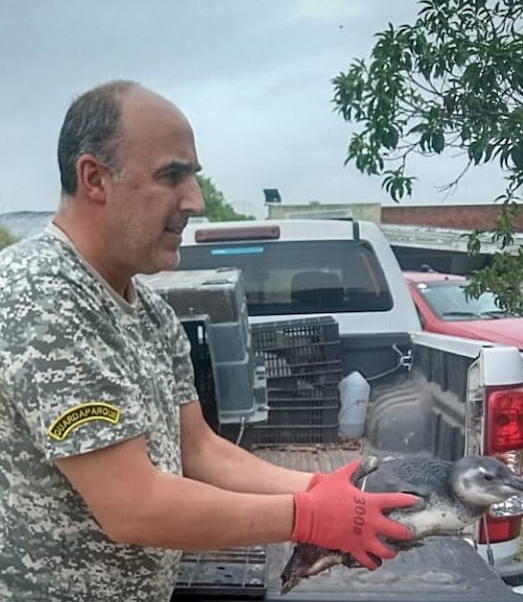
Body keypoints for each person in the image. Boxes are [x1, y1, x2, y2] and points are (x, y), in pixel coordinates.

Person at [0, 80, 419, 601]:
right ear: (95, 178)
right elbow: (132, 506)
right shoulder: (42, 297)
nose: (195, 200)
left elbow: (198, 449)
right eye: (171, 176)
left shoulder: (148, 309)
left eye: (193, 176)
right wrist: (309, 516)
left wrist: (321, 489)